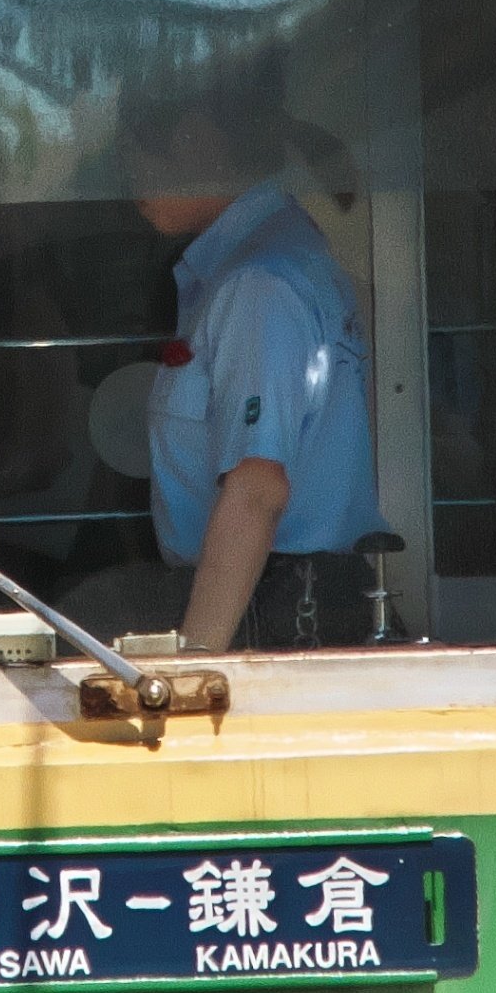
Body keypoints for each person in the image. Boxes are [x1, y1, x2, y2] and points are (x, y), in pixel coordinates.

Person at [124, 78, 381, 651]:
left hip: (277, 613)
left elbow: (256, 489)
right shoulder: (267, 262)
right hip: (275, 600)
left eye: (135, 148)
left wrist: (194, 670)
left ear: (194, 139)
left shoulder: (260, 283)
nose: (128, 176)